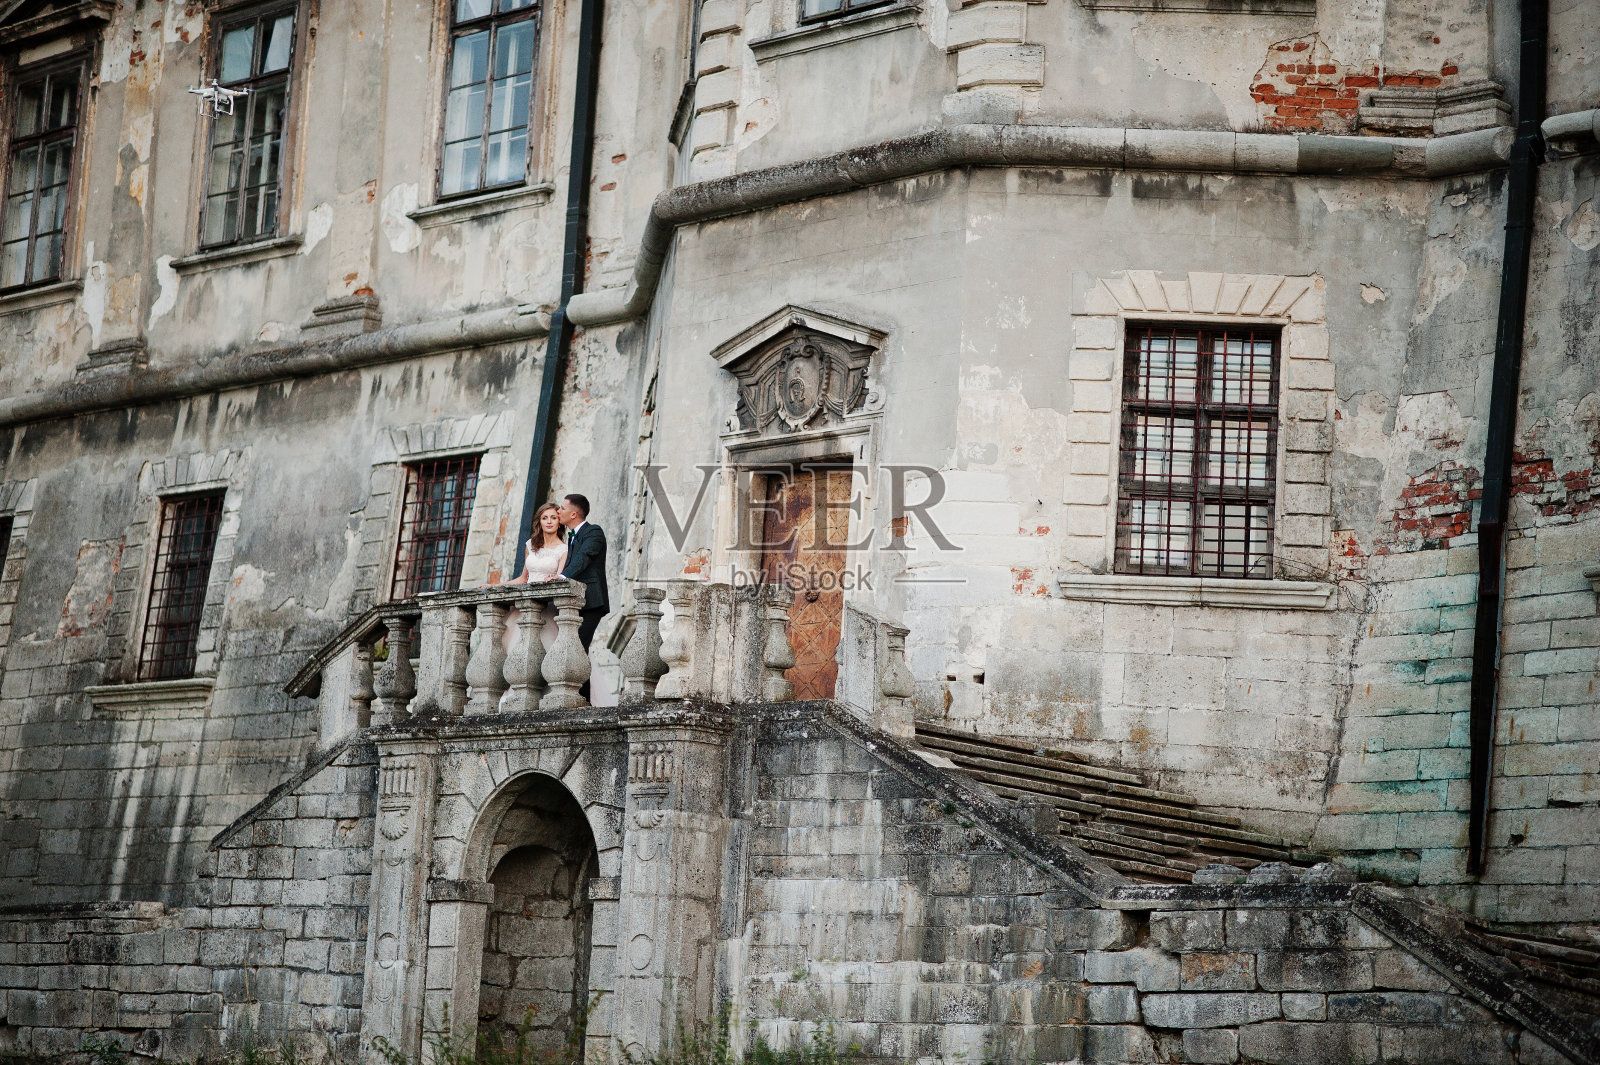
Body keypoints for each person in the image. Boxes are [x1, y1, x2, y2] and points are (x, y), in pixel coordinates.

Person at [557, 493, 608, 700]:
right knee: (576, 648)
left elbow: (584, 558)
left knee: (578, 648)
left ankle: (583, 699)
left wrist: (562, 576)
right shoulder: (571, 537)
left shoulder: (593, 532)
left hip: (592, 601)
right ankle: (582, 697)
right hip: (576, 602)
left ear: (573, 514)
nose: (558, 511)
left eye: (562, 508)